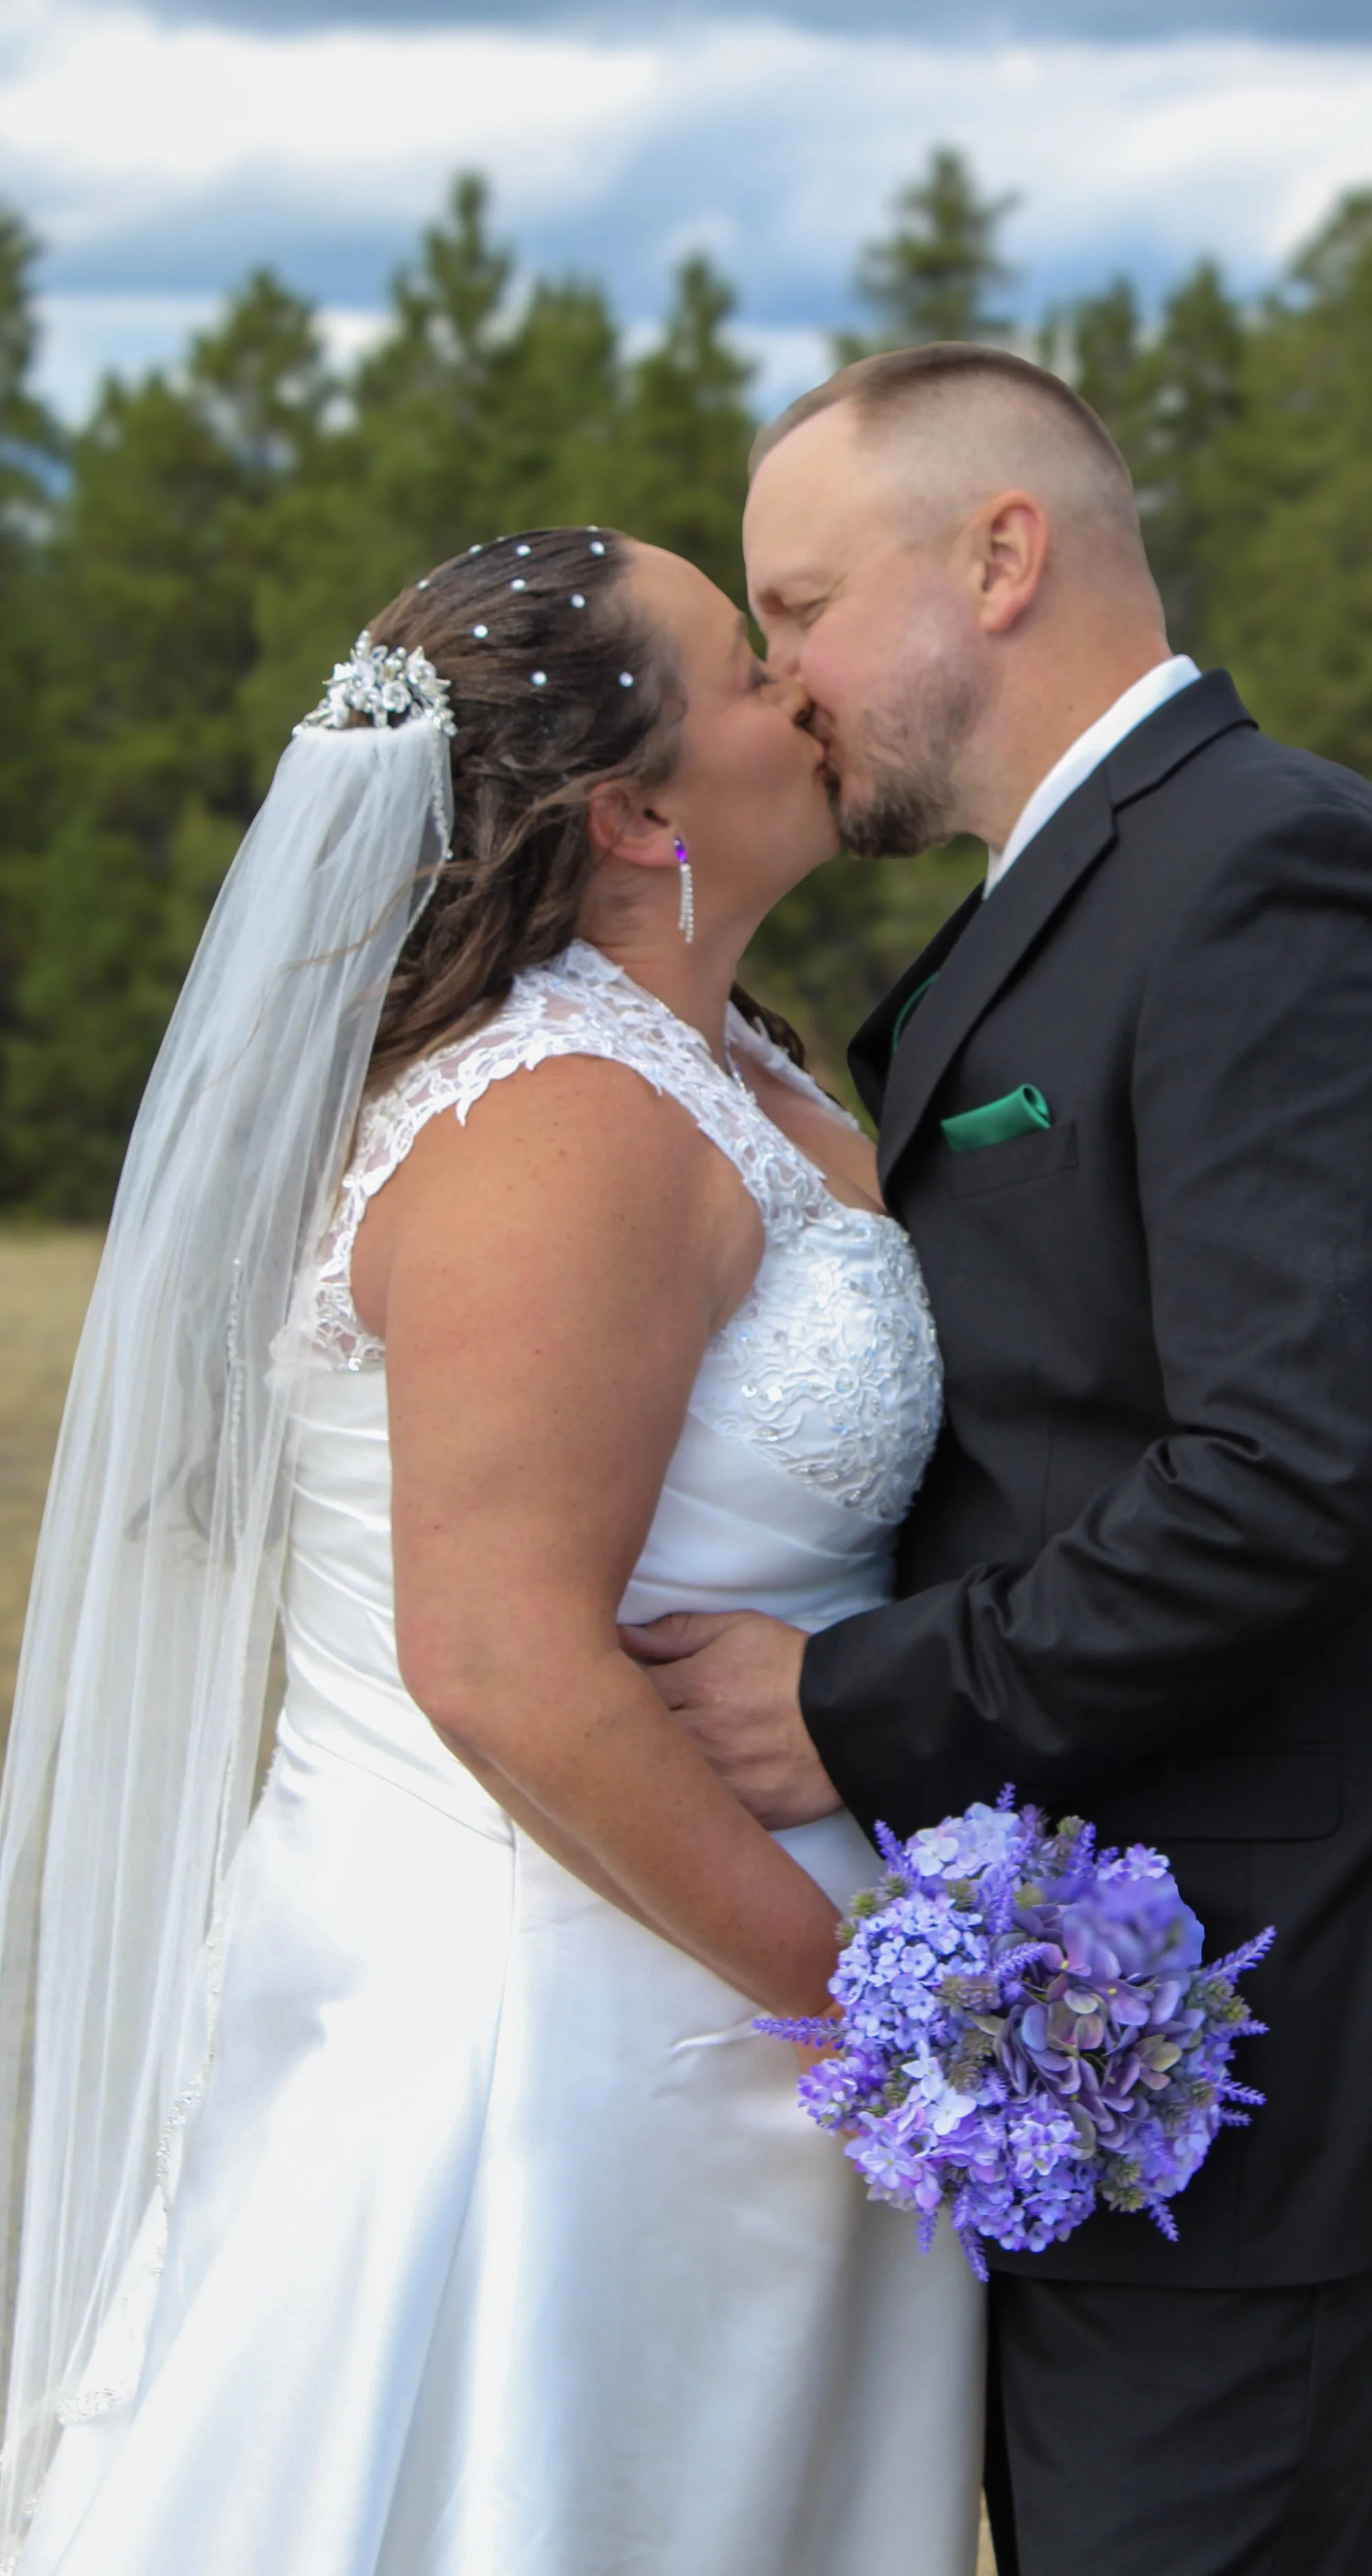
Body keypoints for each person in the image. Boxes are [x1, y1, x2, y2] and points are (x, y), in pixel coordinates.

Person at [628, 344, 1372, 2576]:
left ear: (1001, 554)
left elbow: (1300, 1472)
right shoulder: (1069, 900)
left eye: (800, 605)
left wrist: (842, 1703)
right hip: (1044, 2013)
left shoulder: (1270, 884)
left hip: (1239, 2018)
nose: (778, 682)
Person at [0, 527, 982, 2576]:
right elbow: (500, 1658)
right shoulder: (563, 1122)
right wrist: (888, 2022)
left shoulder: (746, 1067)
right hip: (575, 2029)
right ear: (632, 810)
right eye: (744, 664)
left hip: (732, 2022)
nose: (799, 688)